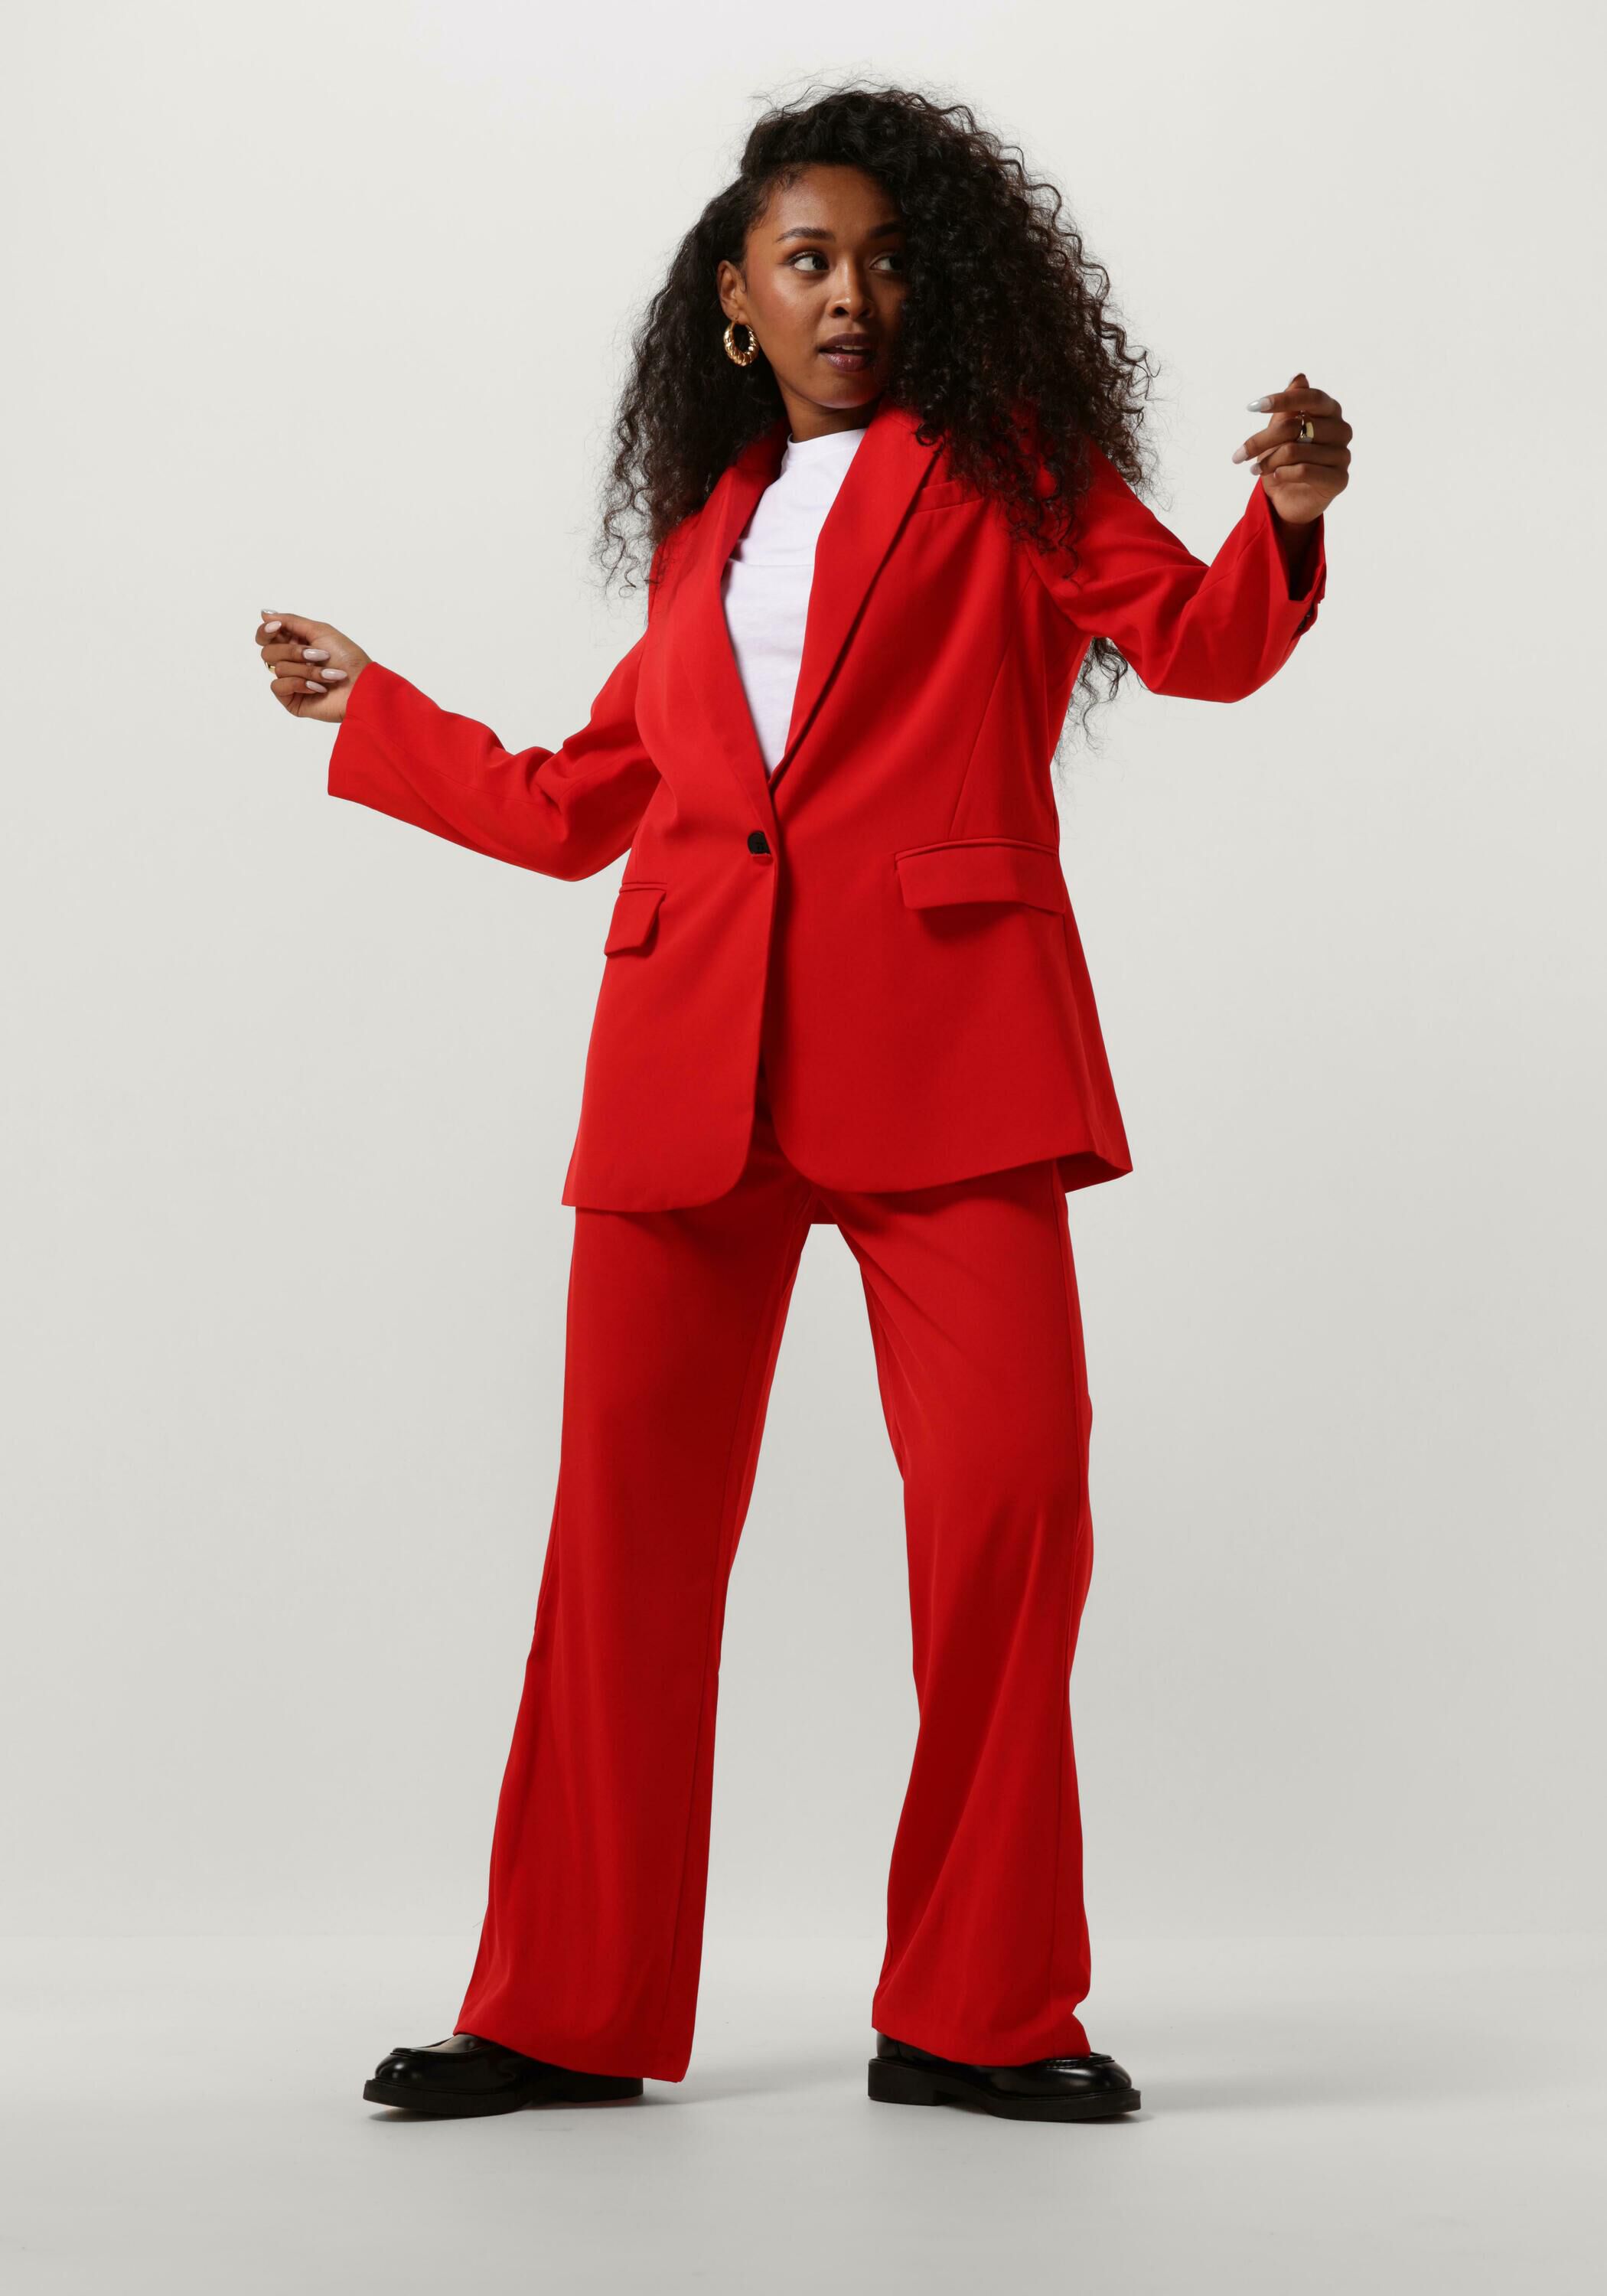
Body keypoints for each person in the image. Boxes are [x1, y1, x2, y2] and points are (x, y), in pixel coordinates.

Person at [254, 84, 1345, 2125]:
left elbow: (1196, 646)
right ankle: (563, 2010)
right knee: (623, 1548)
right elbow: (583, 806)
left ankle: (978, 2009)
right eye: (808, 262)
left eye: (889, 260)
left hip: (947, 1055)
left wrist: (1283, 520)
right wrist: (375, 710)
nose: (852, 295)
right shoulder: (709, 534)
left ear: (944, 288)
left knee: (1009, 1510)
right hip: (688, 1066)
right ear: (735, 304)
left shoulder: (1012, 470)